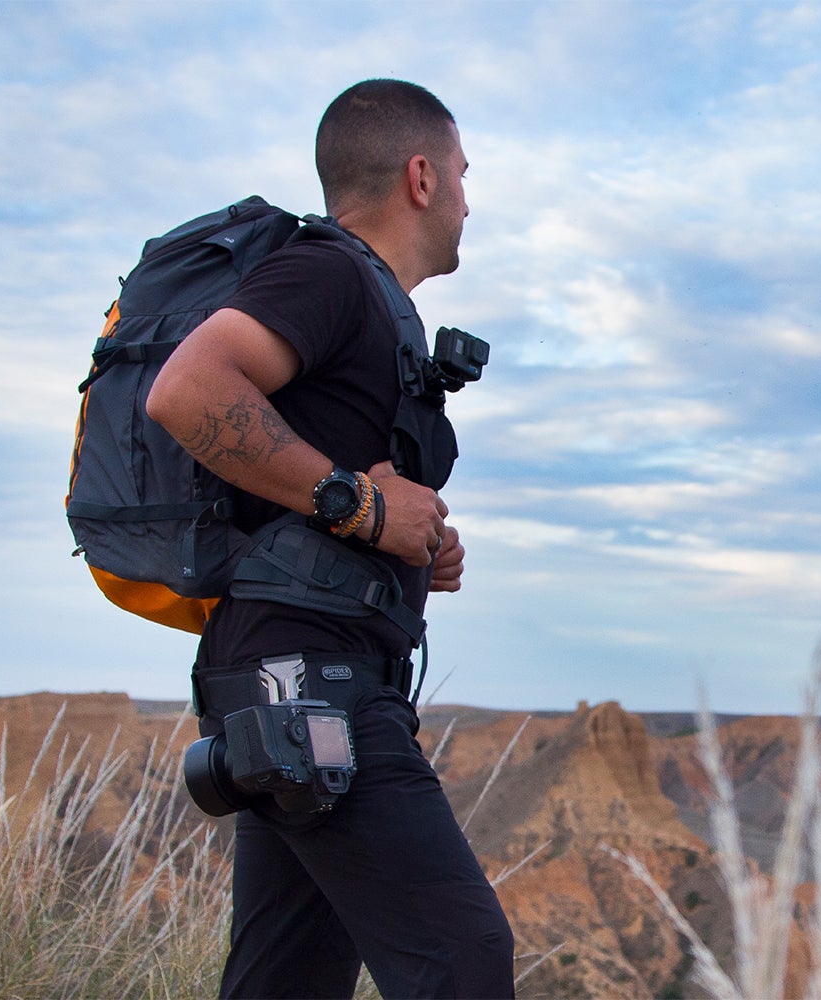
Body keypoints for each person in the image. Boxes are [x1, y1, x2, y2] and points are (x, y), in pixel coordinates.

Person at [145, 79, 514, 1000]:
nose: (469, 201)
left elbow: (327, 491)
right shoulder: (330, 273)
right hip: (310, 687)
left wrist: (411, 543)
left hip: (299, 689)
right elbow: (187, 389)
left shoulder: (376, 307)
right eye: (463, 175)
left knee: (289, 981)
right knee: (464, 958)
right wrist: (362, 508)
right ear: (421, 177)